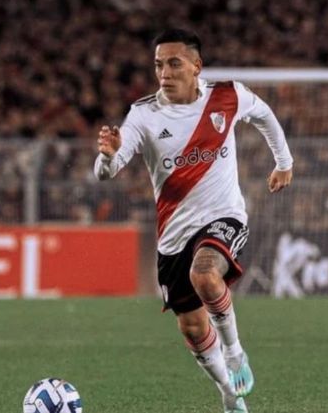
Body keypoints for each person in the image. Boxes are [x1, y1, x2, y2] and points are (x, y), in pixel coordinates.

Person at [94, 28, 293, 413]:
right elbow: (107, 172)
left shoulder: (227, 96)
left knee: (204, 274)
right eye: (158, 65)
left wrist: (284, 162)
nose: (164, 73)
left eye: (174, 64)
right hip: (174, 235)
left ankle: (235, 352)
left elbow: (264, 115)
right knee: (192, 326)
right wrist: (107, 156)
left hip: (224, 216)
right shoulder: (144, 115)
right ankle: (229, 394)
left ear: (196, 66)